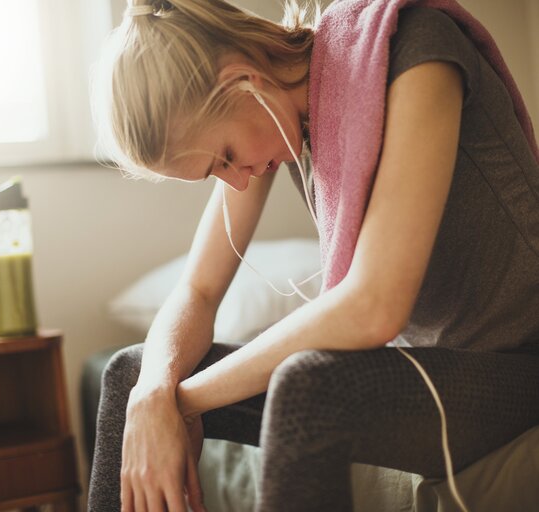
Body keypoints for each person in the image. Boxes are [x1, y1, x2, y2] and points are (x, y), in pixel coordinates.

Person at [88, 0, 539, 511]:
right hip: (423, 367)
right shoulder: (283, 109)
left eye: (227, 157)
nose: (236, 180)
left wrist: (181, 405)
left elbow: (372, 305)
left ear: (245, 81)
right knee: (132, 371)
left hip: (519, 365)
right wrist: (151, 397)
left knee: (306, 386)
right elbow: (198, 290)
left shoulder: (412, 51)